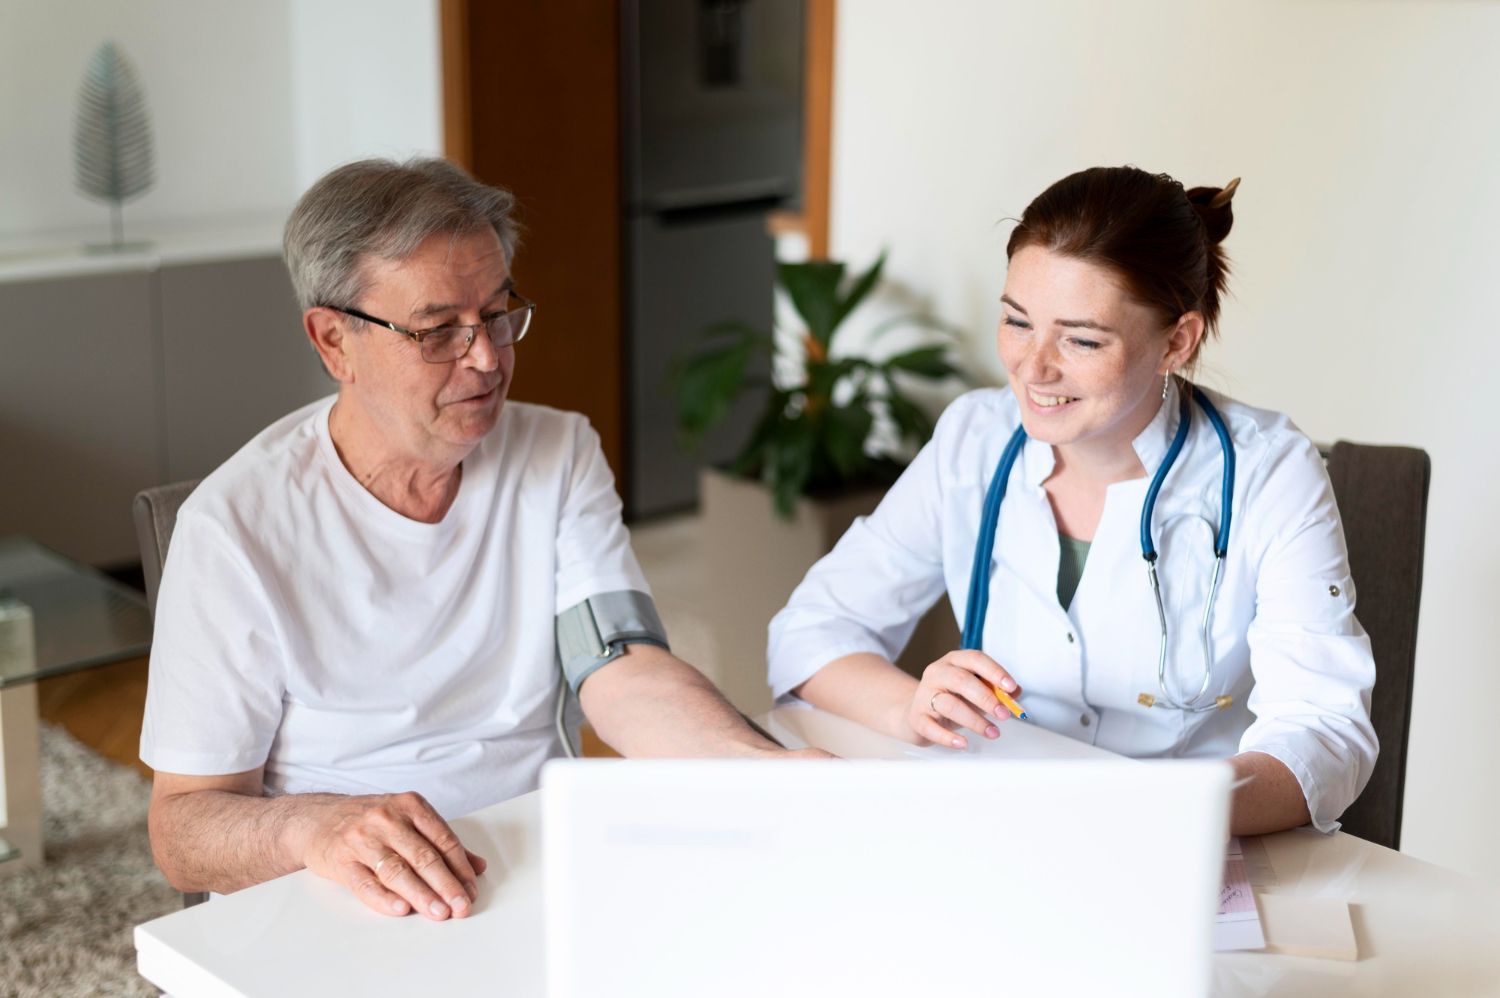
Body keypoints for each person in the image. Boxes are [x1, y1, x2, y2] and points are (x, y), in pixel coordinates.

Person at [142, 158, 820, 921]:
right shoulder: (234, 529)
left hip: (537, 865)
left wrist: (759, 769)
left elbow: (623, 670)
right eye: (438, 331)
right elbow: (183, 828)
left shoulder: (557, 453)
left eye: (498, 315)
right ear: (334, 342)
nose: (488, 358)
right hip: (349, 895)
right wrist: (313, 827)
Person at [768, 166, 1376, 837]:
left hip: (1184, 850)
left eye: (1082, 340)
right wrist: (911, 705)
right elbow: (809, 633)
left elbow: (1326, 732)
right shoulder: (977, 436)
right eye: (1017, 321)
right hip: (1004, 833)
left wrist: (1174, 817)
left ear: (1177, 341)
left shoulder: (1270, 472)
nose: (1033, 367)